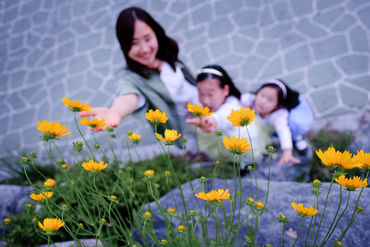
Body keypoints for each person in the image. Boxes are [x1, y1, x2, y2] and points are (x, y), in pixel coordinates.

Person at [79, 6, 198, 141]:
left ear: (156, 33)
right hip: (188, 128)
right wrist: (115, 112)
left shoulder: (166, 52)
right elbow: (128, 97)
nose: (145, 49)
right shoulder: (129, 78)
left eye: (147, 39)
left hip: (207, 106)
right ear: (125, 46)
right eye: (134, 43)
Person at [186, 65, 266, 164]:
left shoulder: (232, 107)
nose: (205, 101)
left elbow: (222, 117)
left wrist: (211, 122)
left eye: (210, 94)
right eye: (201, 93)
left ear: (225, 90)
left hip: (245, 153)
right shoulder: (220, 102)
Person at [241, 79, 313, 165]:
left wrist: (287, 152)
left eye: (270, 100)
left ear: (277, 105)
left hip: (287, 122)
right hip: (263, 126)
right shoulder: (249, 100)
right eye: (262, 95)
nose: (263, 101)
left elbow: (283, 131)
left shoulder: (279, 114)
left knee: (293, 126)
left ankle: (296, 138)